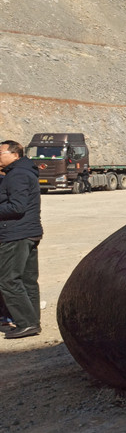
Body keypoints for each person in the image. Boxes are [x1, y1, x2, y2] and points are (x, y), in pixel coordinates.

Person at [0, 140, 44, 339]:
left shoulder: (16, 175)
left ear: (15, 155)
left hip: (16, 234)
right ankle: (32, 321)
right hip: (28, 232)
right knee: (27, 281)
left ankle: (26, 323)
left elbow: (17, 207)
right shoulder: (25, 172)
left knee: (8, 280)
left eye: (0, 153)